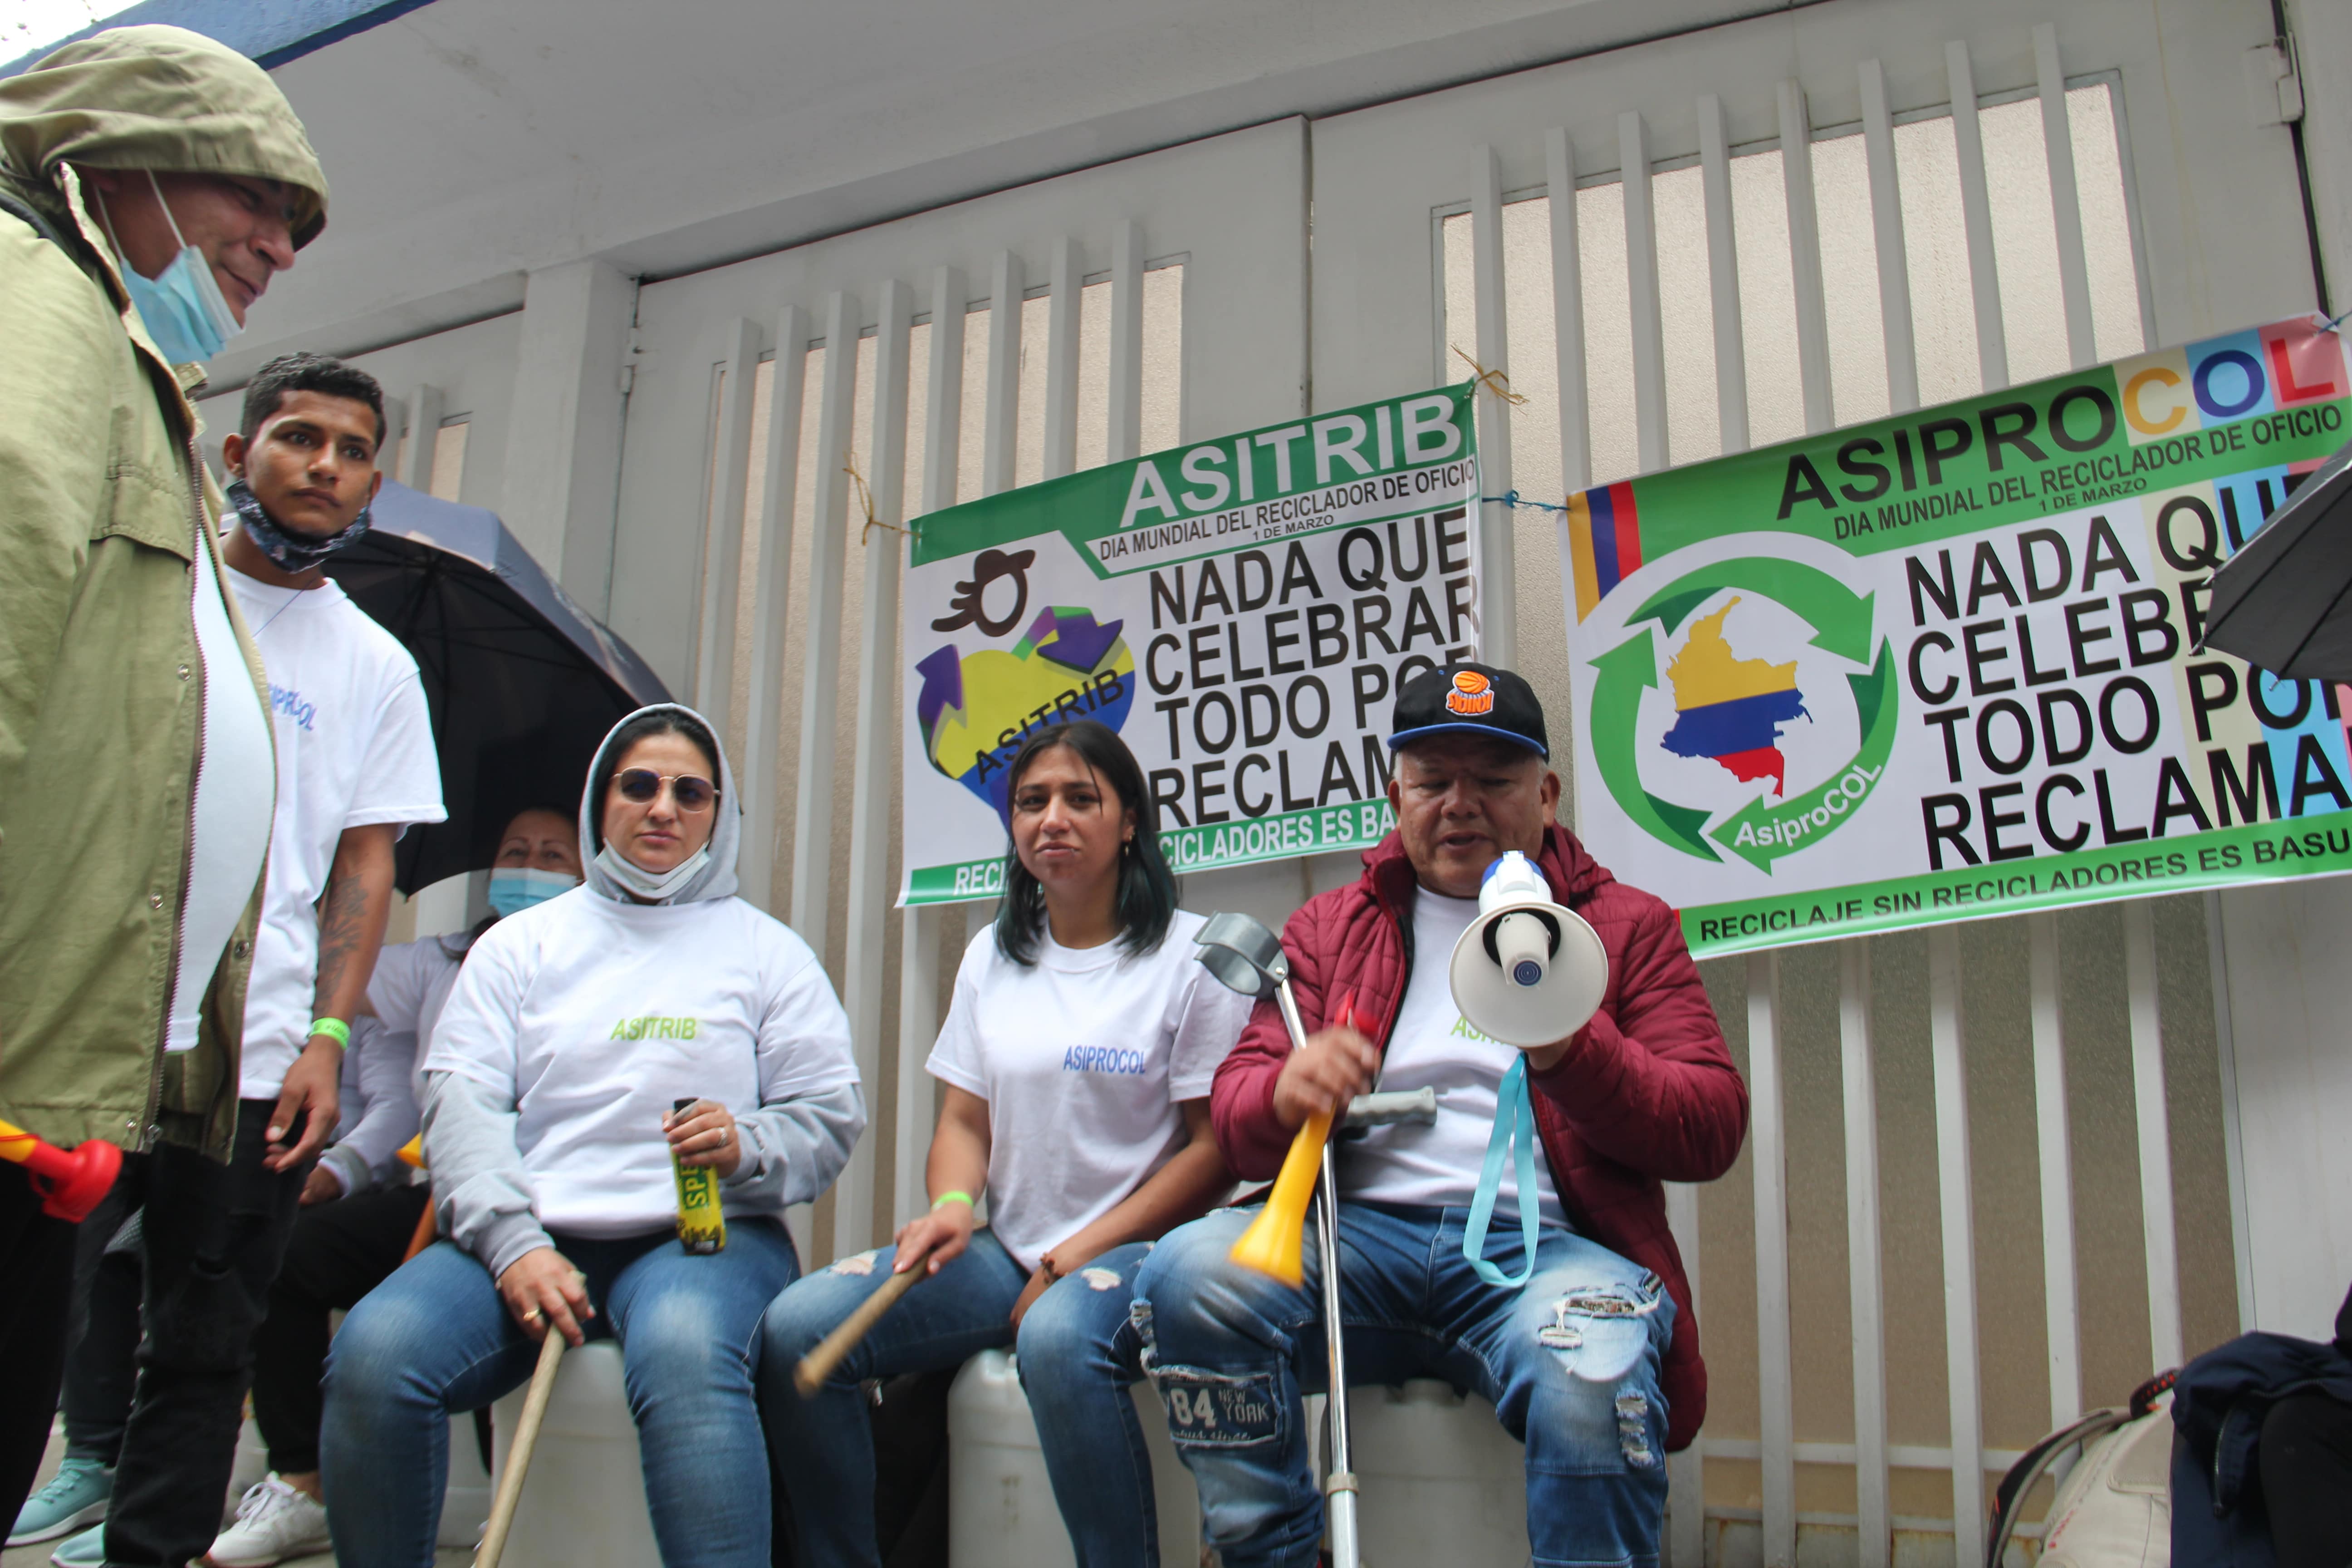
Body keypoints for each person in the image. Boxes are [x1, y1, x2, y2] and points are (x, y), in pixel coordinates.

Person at [1133, 662, 1749, 1568]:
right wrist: (1286, 1089)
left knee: (1592, 1366)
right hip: (1355, 1240)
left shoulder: (1627, 926)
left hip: (1543, 1257)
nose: (1461, 804)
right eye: (1432, 782)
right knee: (1188, 1274)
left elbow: (1710, 1123)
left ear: (1547, 795)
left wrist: (1573, 1048)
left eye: (1494, 780)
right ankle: (1272, 1552)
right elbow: (1234, 1114)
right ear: (1396, 798)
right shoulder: (1328, 928)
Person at [0, 24, 328, 1529]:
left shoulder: (132, 372)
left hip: (66, 1060)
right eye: (250, 193)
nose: (278, 245)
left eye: (294, 221)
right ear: (112, 160)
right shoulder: (34, 308)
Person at [47, 351, 444, 1568]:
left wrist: (327, 1036)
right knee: (34, 1313)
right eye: (299, 438)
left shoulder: (376, 665)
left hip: (258, 1055)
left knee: (205, 1342)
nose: (325, 466)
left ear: (374, 482)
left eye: (353, 451)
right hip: (88, 1024)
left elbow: (364, 866)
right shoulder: (151, 596)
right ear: (238, 453)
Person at [320, 705, 864, 1568]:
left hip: (703, 1240)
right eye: (639, 786)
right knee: (376, 1354)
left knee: (685, 1355)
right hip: (530, 1234)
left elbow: (828, 1116)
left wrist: (747, 1145)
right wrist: (512, 1247)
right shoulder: (519, 947)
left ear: (717, 814)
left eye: (690, 793)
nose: (663, 808)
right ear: (600, 800)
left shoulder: (770, 953)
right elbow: (460, 1105)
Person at [762, 718, 1250, 1567]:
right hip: (1012, 1252)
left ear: (1129, 822)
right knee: (798, 1329)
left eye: (1079, 799)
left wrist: (1072, 1260)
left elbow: (1213, 1155)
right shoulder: (994, 954)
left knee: (1056, 1340)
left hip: (1140, 1255)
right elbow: (963, 1122)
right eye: (1031, 802)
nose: (1051, 819)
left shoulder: (1193, 958)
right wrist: (952, 1204)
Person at [196, 807, 582, 1567]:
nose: (529, 868)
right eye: (515, 852)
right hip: (442, 1196)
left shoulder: (599, 961)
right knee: (291, 1255)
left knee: (510, 1309)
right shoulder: (441, 961)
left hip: (555, 1206)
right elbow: (336, 969)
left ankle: (510, 1516)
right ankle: (303, 1482)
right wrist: (324, 876)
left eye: (551, 856)